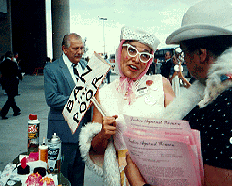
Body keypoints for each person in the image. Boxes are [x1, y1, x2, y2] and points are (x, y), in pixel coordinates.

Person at [124, 0, 232, 185]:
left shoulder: (223, 107)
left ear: (201, 54)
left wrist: (139, 184)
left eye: (184, 52)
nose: (185, 61)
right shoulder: (212, 94)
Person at [79, 26, 175, 186]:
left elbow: (182, 132)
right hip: (124, 176)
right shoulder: (103, 94)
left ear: (150, 61)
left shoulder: (161, 84)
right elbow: (95, 150)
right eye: (131, 50)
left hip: (161, 173)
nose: (137, 59)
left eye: (145, 55)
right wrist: (103, 134)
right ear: (120, 50)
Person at [44, 33, 92, 186]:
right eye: (76, 48)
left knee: (79, 176)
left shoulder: (85, 65)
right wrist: (80, 100)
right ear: (64, 49)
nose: (80, 52)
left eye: (82, 48)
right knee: (63, 177)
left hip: (83, 132)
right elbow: (51, 98)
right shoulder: (51, 69)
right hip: (63, 133)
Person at [0, 51, 22, 119]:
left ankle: (16, 110)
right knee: (10, 98)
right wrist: (20, 77)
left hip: (5, 83)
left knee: (11, 97)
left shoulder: (2, 64)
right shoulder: (13, 63)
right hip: (12, 83)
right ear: (11, 57)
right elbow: (17, 72)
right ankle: (3, 112)